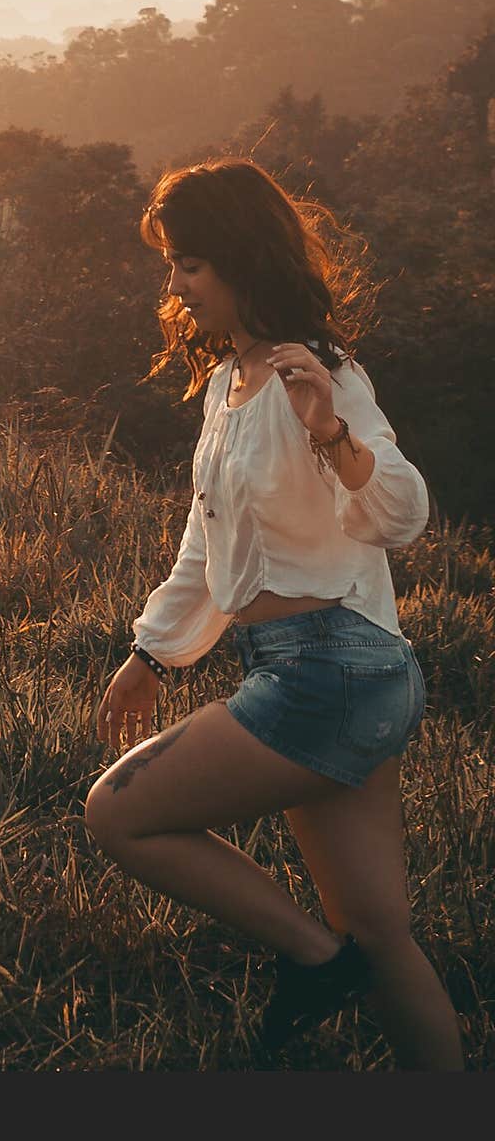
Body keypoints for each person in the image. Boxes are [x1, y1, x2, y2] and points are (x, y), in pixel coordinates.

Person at [84, 158, 465, 1070]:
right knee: (381, 931)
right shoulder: (227, 385)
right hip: (314, 672)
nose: (173, 283)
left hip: (332, 665)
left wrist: (332, 431)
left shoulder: (318, 372)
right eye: (172, 264)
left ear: (241, 260)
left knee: (117, 815)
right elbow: (206, 545)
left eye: (188, 263)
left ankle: (312, 960)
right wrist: (152, 654)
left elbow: (405, 513)